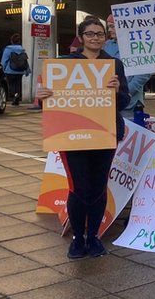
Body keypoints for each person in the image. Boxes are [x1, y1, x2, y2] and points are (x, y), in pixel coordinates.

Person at [36, 17, 129, 259]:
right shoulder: (65, 64)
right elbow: (49, 100)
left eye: (99, 34)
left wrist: (117, 91)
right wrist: (42, 95)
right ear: (81, 37)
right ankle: (78, 238)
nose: (95, 37)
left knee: (98, 187)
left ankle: (94, 237)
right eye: (90, 34)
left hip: (105, 133)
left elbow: (125, 101)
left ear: (105, 37)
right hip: (72, 135)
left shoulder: (114, 64)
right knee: (78, 188)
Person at [103, 14, 152, 117]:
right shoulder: (106, 45)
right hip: (107, 100)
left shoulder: (138, 45)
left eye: (112, 26)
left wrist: (125, 91)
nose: (109, 30)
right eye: (108, 27)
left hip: (131, 103)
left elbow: (144, 74)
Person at [0, 33, 30, 106]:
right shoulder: (22, 50)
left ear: (11, 41)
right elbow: (25, 61)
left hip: (9, 71)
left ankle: (15, 95)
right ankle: (16, 98)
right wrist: (27, 70)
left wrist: (1, 69)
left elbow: (4, 60)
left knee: (10, 85)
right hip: (20, 71)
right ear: (19, 41)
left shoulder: (8, 49)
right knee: (18, 84)